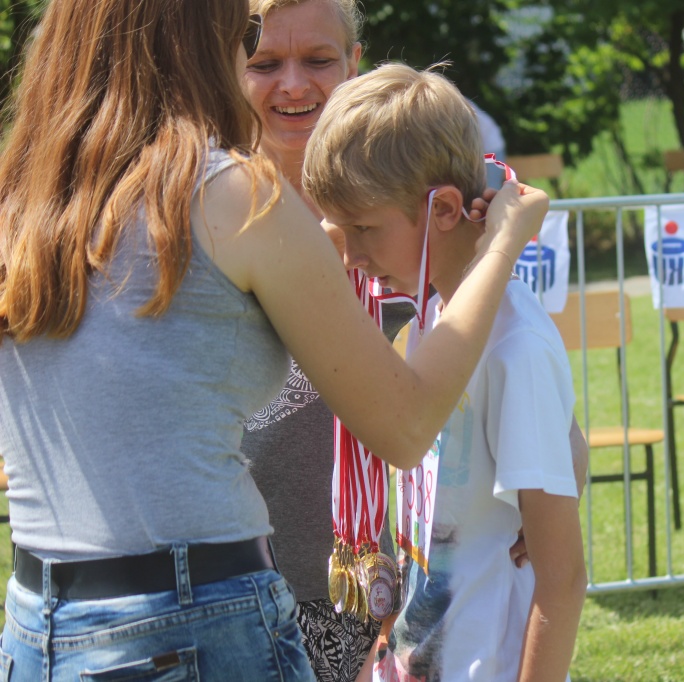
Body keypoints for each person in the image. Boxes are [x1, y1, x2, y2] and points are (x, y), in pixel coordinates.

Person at [0, 1, 547, 679]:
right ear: (198, 40)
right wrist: (500, 246)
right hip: (194, 614)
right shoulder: (234, 194)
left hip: (38, 622)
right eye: (249, 37)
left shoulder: (25, 204)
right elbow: (406, 425)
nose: (250, 55)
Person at [303, 63, 587, 682]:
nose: (350, 253)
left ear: (446, 209)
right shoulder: (433, 318)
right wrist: (388, 648)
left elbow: (563, 579)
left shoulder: (516, 347)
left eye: (364, 227)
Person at [240, 2, 409, 680]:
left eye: (317, 60)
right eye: (264, 63)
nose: (293, 84)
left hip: (383, 585)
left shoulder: (410, 202)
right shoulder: (193, 209)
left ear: (354, 64)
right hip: (235, 592)